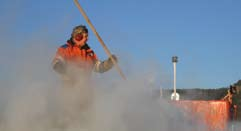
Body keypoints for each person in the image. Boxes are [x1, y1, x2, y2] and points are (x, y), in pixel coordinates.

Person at [52, 25, 117, 129]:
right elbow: (56, 62)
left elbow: (98, 67)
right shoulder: (65, 49)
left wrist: (108, 63)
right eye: (85, 36)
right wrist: (66, 69)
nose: (87, 39)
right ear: (77, 36)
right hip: (69, 89)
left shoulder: (89, 52)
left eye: (87, 36)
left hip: (85, 91)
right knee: (68, 118)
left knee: (84, 119)